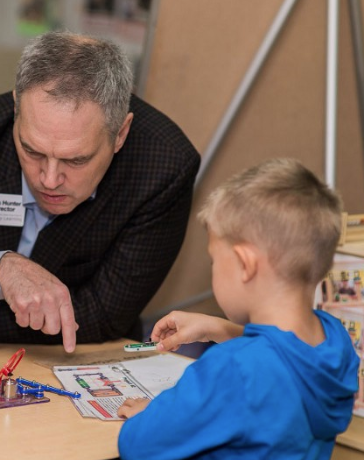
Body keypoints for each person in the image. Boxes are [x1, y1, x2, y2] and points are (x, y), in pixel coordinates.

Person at [0, 30, 200, 352]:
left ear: (120, 134)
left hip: (80, 361)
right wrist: (0, 268)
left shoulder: (162, 166)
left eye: (76, 160)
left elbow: (102, 317)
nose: (50, 179)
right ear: (16, 110)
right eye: (32, 151)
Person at [117, 158, 359, 459]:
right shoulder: (335, 339)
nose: (213, 269)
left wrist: (151, 415)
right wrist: (217, 327)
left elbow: (137, 446)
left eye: (214, 261)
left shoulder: (233, 368)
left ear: (245, 265)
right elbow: (285, 355)